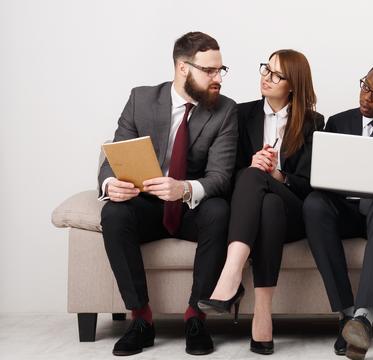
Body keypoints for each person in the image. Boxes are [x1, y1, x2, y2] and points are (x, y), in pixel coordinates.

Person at [98, 31, 237, 356]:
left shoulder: (224, 111)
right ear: (183, 68)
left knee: (219, 210)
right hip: (146, 205)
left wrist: (185, 188)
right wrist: (110, 184)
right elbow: (112, 157)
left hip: (190, 209)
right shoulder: (141, 100)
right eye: (210, 70)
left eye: (221, 70)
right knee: (113, 212)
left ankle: (196, 316)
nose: (218, 78)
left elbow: (221, 177)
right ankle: (141, 319)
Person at [198, 49, 324, 355]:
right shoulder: (240, 115)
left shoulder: (313, 122)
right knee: (265, 201)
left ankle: (230, 276)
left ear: (293, 84)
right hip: (259, 212)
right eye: (265, 69)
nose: (266, 78)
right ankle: (262, 315)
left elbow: (314, 187)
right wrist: (252, 165)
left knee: (259, 178)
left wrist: (279, 176)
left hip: (294, 211)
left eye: (276, 75)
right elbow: (225, 174)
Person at [302, 60, 373, 360]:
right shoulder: (338, 122)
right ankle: (347, 313)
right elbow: (321, 175)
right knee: (314, 204)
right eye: (365, 86)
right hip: (343, 209)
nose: (366, 97)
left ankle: (363, 319)